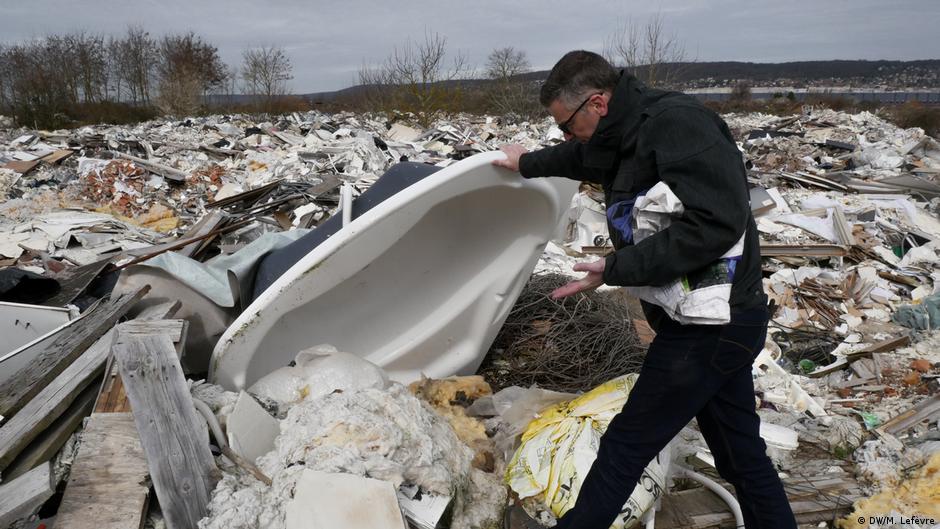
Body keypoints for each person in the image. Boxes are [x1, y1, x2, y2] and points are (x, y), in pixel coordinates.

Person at [493, 50, 797, 529]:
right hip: (710, 322)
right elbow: (582, 155)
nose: (565, 135)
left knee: (626, 445)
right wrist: (526, 162)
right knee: (740, 455)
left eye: (567, 124)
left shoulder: (679, 126)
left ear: (597, 102)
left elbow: (715, 223)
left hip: (713, 323)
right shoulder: (618, 132)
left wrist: (616, 268)